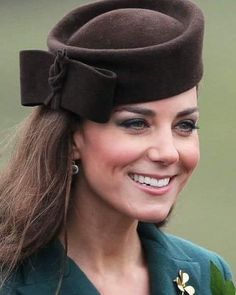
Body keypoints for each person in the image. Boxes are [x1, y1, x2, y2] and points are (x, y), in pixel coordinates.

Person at [0, 0, 233, 294]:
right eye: (136, 124)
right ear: (73, 138)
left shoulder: (206, 276)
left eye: (184, 126)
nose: (168, 152)